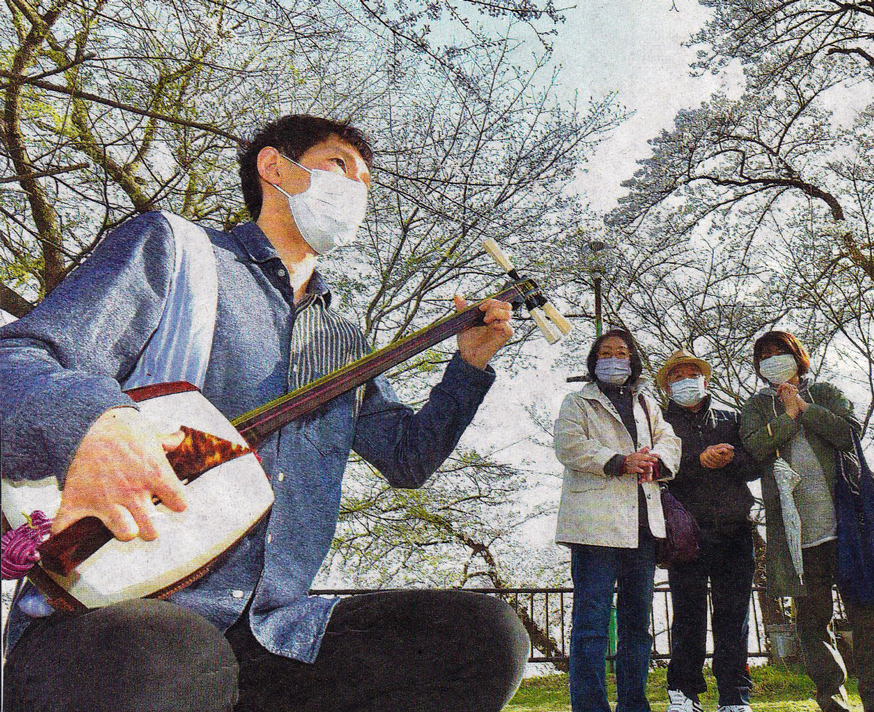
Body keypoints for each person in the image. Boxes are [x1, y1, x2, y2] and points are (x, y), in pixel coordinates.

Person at [1, 114, 530, 712]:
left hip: (275, 630)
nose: (356, 189)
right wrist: (96, 420)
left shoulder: (340, 335)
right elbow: (19, 358)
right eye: (340, 166)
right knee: (176, 654)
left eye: (366, 182)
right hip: (121, 613)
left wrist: (471, 367)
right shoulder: (177, 252)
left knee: (480, 637)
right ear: (275, 167)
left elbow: (407, 459)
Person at [738, 331, 874, 712]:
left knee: (869, 616)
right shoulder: (757, 406)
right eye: (766, 355)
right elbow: (755, 445)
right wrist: (788, 415)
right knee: (812, 622)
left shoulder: (824, 391)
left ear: (798, 356)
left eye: (781, 352)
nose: (774, 359)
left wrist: (804, 406)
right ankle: (831, 700)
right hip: (798, 532)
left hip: (847, 526)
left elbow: (848, 434)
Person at [553, 328, 682, 712]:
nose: (614, 358)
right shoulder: (577, 402)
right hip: (594, 528)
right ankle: (590, 707)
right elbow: (569, 445)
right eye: (605, 352)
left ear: (632, 360)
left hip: (642, 528)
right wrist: (619, 462)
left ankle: (633, 705)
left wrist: (655, 461)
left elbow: (669, 439)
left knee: (637, 625)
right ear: (594, 361)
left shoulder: (647, 402)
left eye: (621, 352)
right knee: (591, 624)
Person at [655, 349, 759, 712]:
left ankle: (734, 697)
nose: (686, 380)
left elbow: (754, 466)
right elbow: (659, 468)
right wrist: (698, 460)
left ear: (705, 379)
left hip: (735, 530)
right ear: (667, 385)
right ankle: (683, 693)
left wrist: (732, 459)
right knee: (687, 615)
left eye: (692, 373)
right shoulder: (659, 424)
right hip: (687, 535)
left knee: (734, 617)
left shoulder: (733, 419)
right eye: (677, 375)